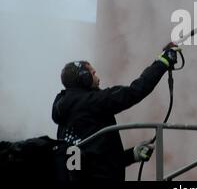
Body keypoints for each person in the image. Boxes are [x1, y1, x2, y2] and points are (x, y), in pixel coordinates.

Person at [52, 43, 179, 181]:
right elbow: (135, 91)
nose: (98, 78)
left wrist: (132, 155)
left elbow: (95, 158)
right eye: (93, 73)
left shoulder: (64, 112)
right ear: (84, 78)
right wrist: (162, 62)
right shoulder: (93, 102)